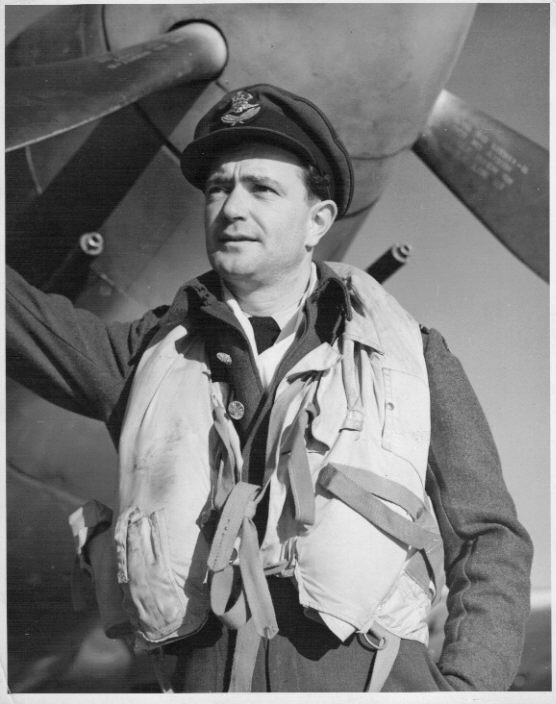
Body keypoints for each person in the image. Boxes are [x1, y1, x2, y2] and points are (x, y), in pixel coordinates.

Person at [6, 84, 532, 693]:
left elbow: (490, 539)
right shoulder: (145, 353)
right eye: (218, 188)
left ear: (318, 221)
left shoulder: (416, 357)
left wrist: (470, 688)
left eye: (261, 188)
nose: (232, 207)